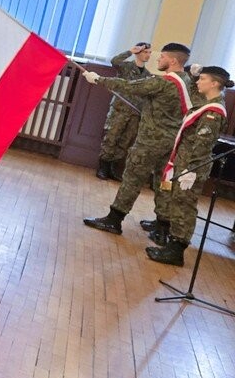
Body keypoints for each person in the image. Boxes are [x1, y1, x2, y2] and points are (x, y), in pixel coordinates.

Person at [82, 43, 194, 235]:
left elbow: (129, 86)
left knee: (132, 179)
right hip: (171, 142)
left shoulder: (164, 82)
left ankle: (114, 219)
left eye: (162, 56)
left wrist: (98, 79)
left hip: (150, 141)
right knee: (162, 182)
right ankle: (162, 224)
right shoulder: (187, 81)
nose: (158, 59)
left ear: (173, 60)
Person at [144, 66, 230, 266]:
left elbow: (202, 145)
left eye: (202, 79)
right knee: (178, 204)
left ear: (214, 83)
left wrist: (189, 171)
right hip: (183, 166)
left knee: (184, 206)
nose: (198, 82)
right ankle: (172, 246)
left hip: (191, 169)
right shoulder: (207, 103)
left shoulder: (213, 112)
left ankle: (176, 251)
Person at [95, 42, 153, 179]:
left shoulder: (148, 75)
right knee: (111, 138)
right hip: (119, 110)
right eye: (146, 52)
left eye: (150, 53)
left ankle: (113, 169)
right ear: (138, 52)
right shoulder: (127, 67)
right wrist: (130, 51)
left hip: (135, 113)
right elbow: (115, 61)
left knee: (125, 142)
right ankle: (103, 168)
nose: (148, 55)